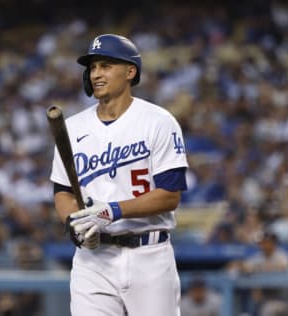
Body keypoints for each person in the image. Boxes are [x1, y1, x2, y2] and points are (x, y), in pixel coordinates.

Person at [50, 34, 189, 315]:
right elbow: (62, 192)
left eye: (105, 65)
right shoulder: (73, 128)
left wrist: (112, 211)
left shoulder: (158, 122)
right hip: (93, 259)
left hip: (148, 255)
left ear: (130, 71)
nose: (97, 74)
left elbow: (169, 195)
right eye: (93, 68)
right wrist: (74, 223)